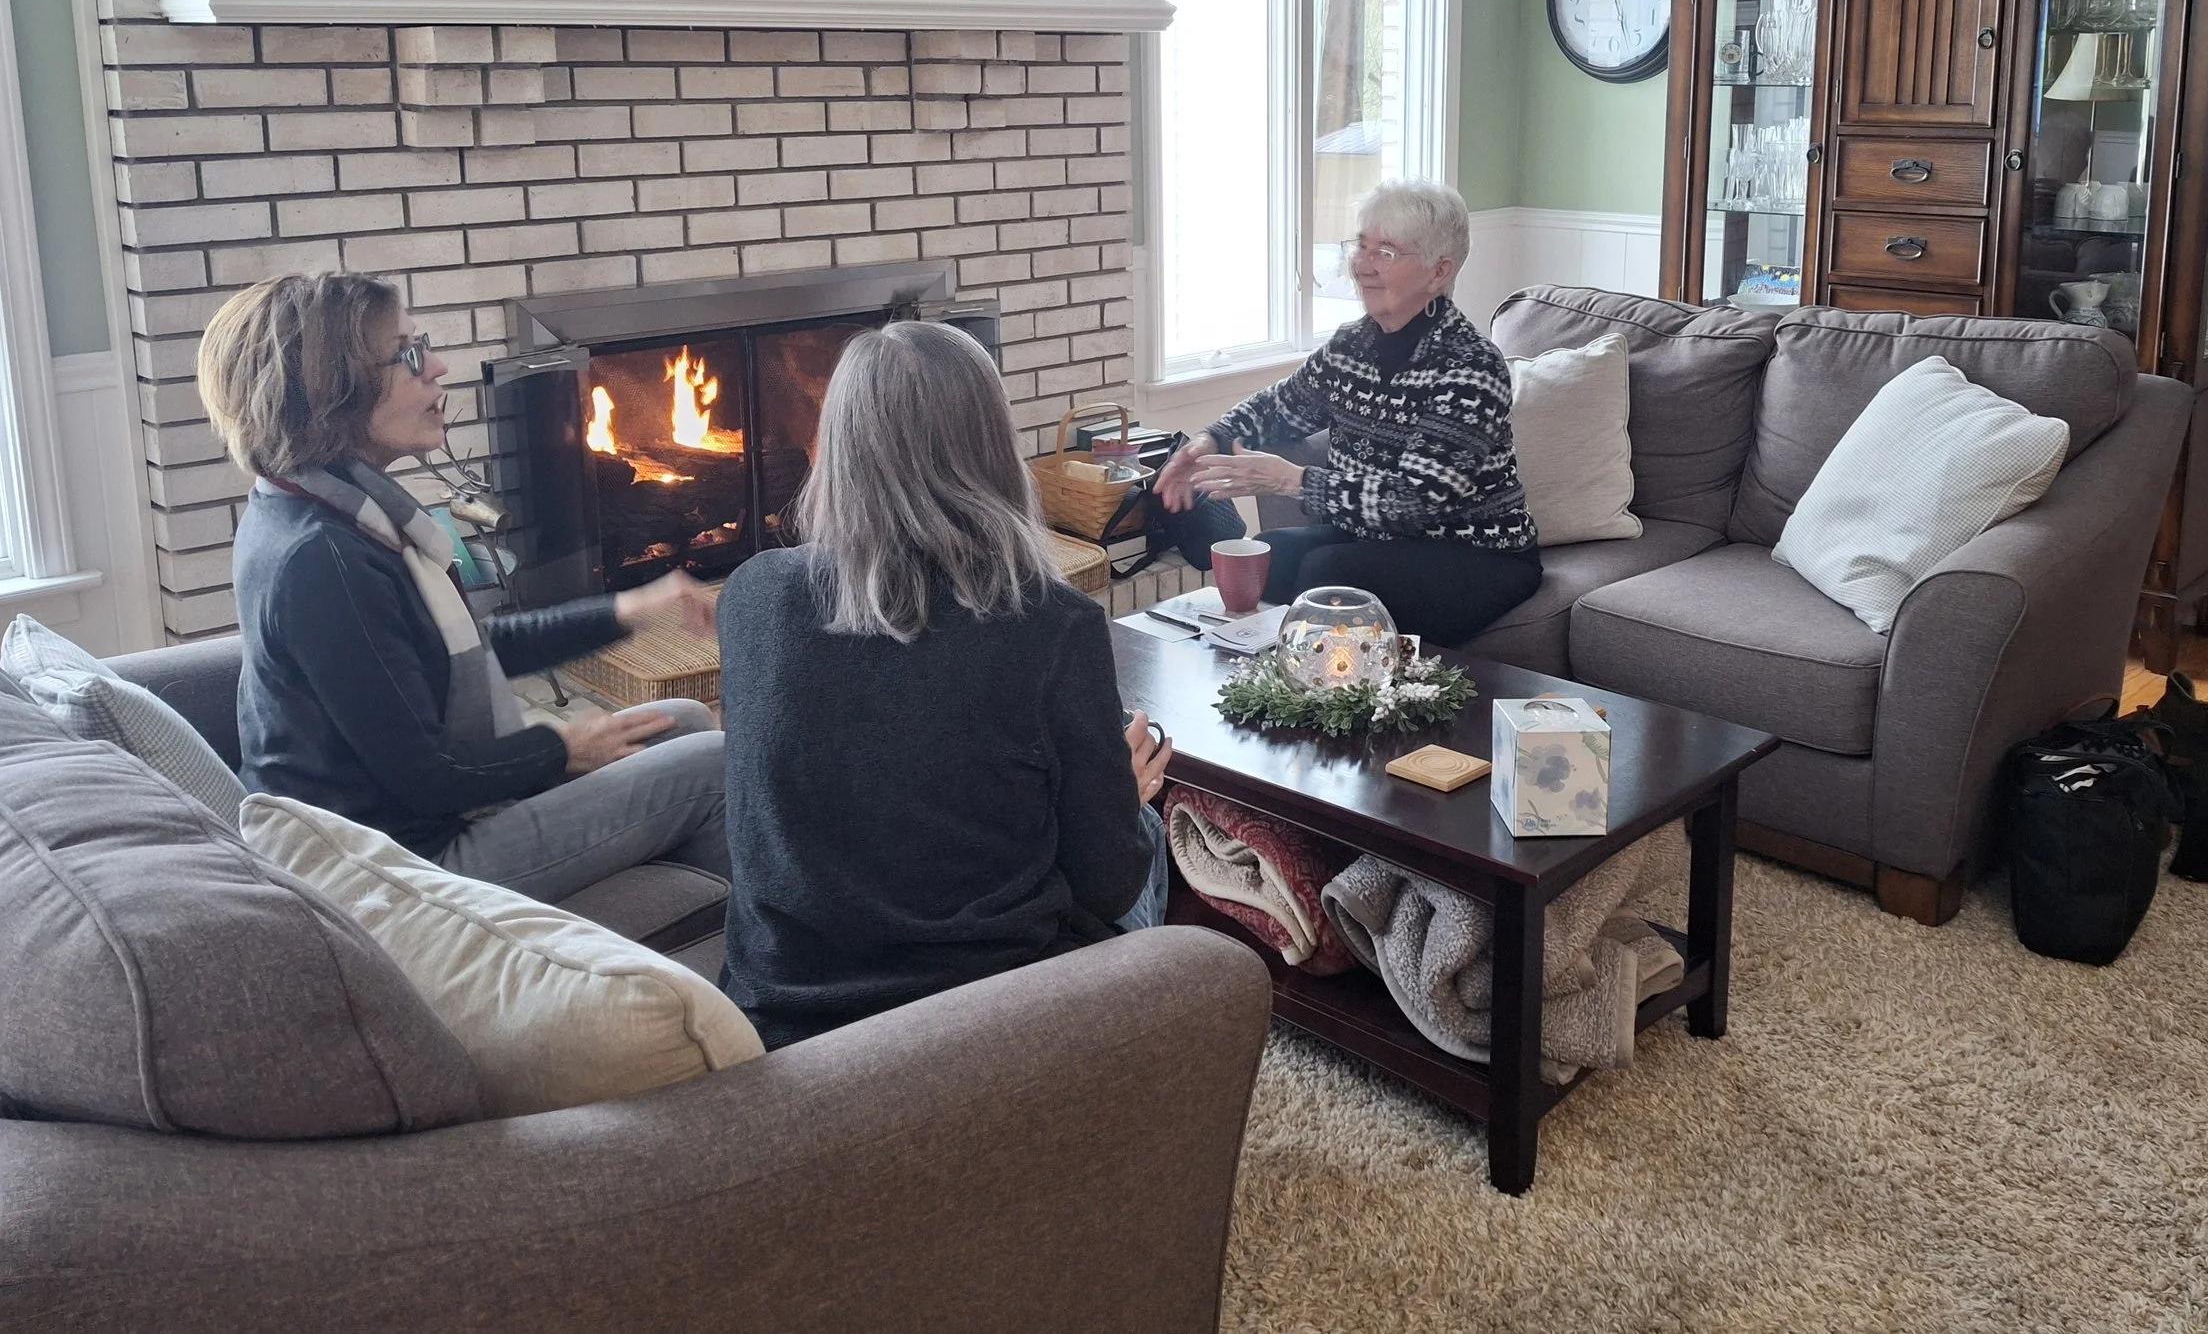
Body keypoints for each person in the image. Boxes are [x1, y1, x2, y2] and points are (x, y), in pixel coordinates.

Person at [198, 273, 730, 901]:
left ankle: (678, 918)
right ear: (328, 392)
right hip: (396, 866)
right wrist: (560, 748)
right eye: (409, 355)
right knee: (713, 765)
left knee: (685, 720)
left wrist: (629, 608)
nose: (440, 367)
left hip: (416, 823)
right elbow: (428, 777)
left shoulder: (329, 509)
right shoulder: (324, 560)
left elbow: (466, 652)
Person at [718, 321, 1169, 1049]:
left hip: (784, 1018)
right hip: (982, 1020)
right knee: (1143, 831)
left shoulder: (751, 596)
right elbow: (1105, 885)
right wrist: (1121, 794)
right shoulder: (1053, 624)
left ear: (839, 444)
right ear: (990, 445)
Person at [1153, 180, 1542, 649]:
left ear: (1440, 271)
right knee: (1266, 556)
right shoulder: (1351, 345)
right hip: (1375, 538)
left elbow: (1413, 503)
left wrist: (1290, 480)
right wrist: (1207, 442)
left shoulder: (1470, 367)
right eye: (1361, 245)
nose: (1361, 265)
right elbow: (1279, 407)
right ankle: (1269, 690)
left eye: (1387, 252)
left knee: (1330, 576)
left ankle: (1322, 699)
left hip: (1474, 554)